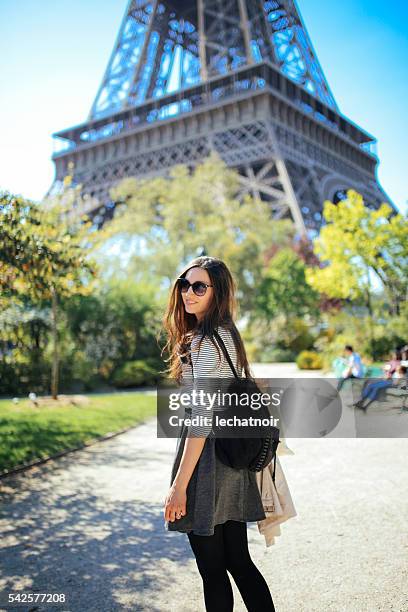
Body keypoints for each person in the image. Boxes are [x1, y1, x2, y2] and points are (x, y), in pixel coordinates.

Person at [162, 256, 275, 612]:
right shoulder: (228, 334)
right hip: (231, 459)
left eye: (199, 287)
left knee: (213, 570)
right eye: (185, 284)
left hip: (208, 462)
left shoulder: (204, 340)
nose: (188, 293)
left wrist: (179, 487)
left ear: (217, 292)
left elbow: (201, 418)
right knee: (238, 562)